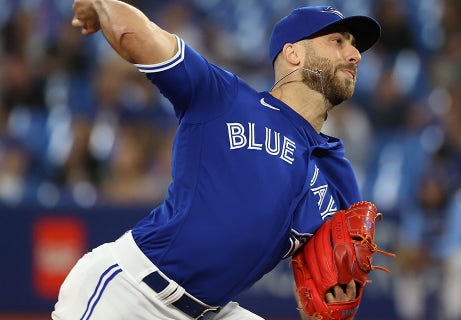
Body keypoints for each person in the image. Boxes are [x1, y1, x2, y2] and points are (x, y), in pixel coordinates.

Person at [53, 1, 381, 319]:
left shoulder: (337, 174)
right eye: (337, 42)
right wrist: (100, 4)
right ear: (293, 52)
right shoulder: (225, 99)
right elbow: (138, 35)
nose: (354, 55)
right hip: (133, 292)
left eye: (354, 47)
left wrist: (333, 305)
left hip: (212, 310)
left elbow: (319, 293)